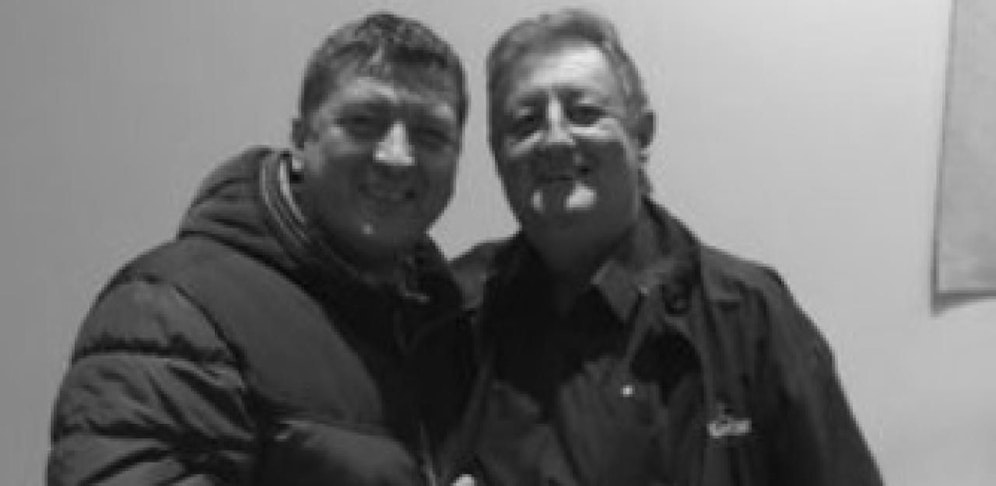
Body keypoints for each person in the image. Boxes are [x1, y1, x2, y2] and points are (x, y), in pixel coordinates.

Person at [453, 8, 884, 486]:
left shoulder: (748, 316)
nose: (554, 139)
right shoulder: (456, 311)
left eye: (584, 113)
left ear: (641, 133)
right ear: (497, 153)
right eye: (526, 122)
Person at [48, 13, 476, 485]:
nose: (397, 156)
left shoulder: (454, 335)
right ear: (300, 139)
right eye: (363, 123)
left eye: (431, 135)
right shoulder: (170, 309)